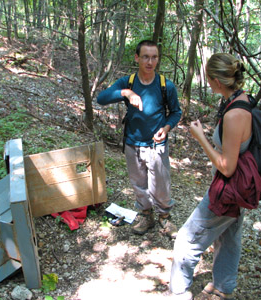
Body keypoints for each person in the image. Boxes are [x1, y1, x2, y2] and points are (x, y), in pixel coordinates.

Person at [168, 53, 252, 300]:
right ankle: (223, 288)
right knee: (228, 238)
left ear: (216, 80)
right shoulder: (239, 99)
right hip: (239, 189)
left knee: (186, 240)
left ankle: (179, 292)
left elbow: (227, 167)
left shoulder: (235, 114)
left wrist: (201, 138)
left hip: (229, 190)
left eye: (208, 77)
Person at [97, 40, 182, 236]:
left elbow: (176, 112)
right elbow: (102, 98)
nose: (150, 62)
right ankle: (146, 215)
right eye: (145, 57)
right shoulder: (128, 82)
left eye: (154, 57)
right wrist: (126, 93)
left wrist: (167, 128)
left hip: (156, 143)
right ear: (137, 58)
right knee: (139, 183)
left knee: (160, 183)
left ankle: (164, 218)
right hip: (132, 142)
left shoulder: (165, 86)